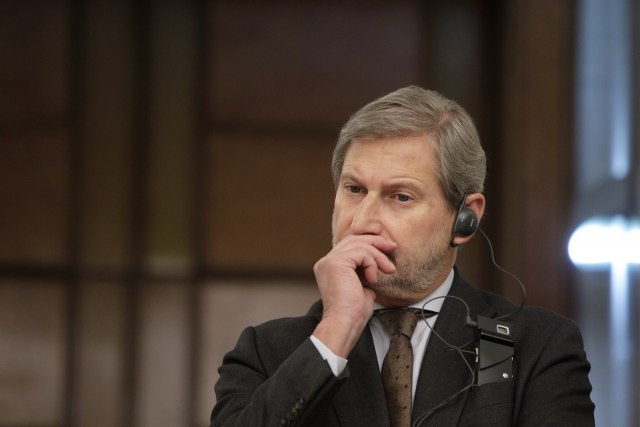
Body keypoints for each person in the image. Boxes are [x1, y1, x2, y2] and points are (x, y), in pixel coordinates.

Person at [210, 86, 595, 426]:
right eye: (354, 189)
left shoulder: (536, 346)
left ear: (465, 218)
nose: (362, 222)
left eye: (401, 196)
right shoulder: (267, 351)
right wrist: (337, 329)